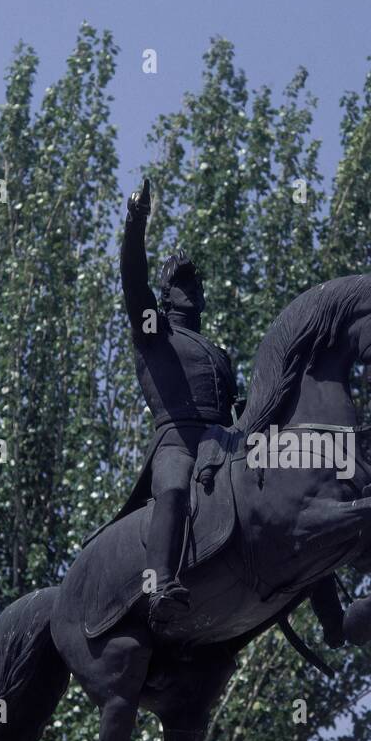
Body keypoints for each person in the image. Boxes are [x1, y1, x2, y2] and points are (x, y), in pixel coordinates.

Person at [120, 179, 236, 627]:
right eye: (180, 282)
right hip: (177, 440)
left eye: (194, 282)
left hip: (223, 440)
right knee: (171, 490)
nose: (191, 289)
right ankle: (160, 584)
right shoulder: (154, 331)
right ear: (166, 295)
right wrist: (136, 223)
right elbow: (133, 277)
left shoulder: (216, 352)